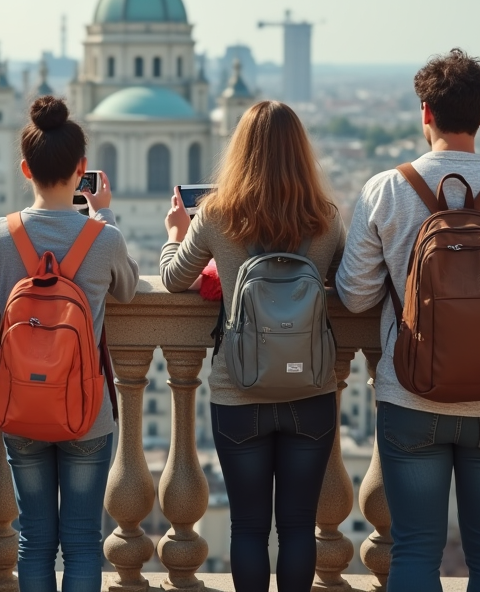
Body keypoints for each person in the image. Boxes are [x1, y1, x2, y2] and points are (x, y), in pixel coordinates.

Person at [335, 49, 480, 592]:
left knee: (413, 549)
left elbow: (356, 298)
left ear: (424, 112)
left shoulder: (385, 189)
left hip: (410, 392)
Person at [160, 99, 346, 592]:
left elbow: (174, 279)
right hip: (310, 390)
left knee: (247, 526)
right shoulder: (325, 218)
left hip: (238, 390)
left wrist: (175, 235)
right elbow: (349, 286)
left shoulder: (218, 214)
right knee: (299, 526)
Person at [0, 96, 139, 592]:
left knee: (34, 540)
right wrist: (104, 216)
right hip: (86, 408)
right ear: (81, 170)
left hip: (21, 403)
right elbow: (129, 289)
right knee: (83, 542)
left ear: (25, 168)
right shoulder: (103, 237)